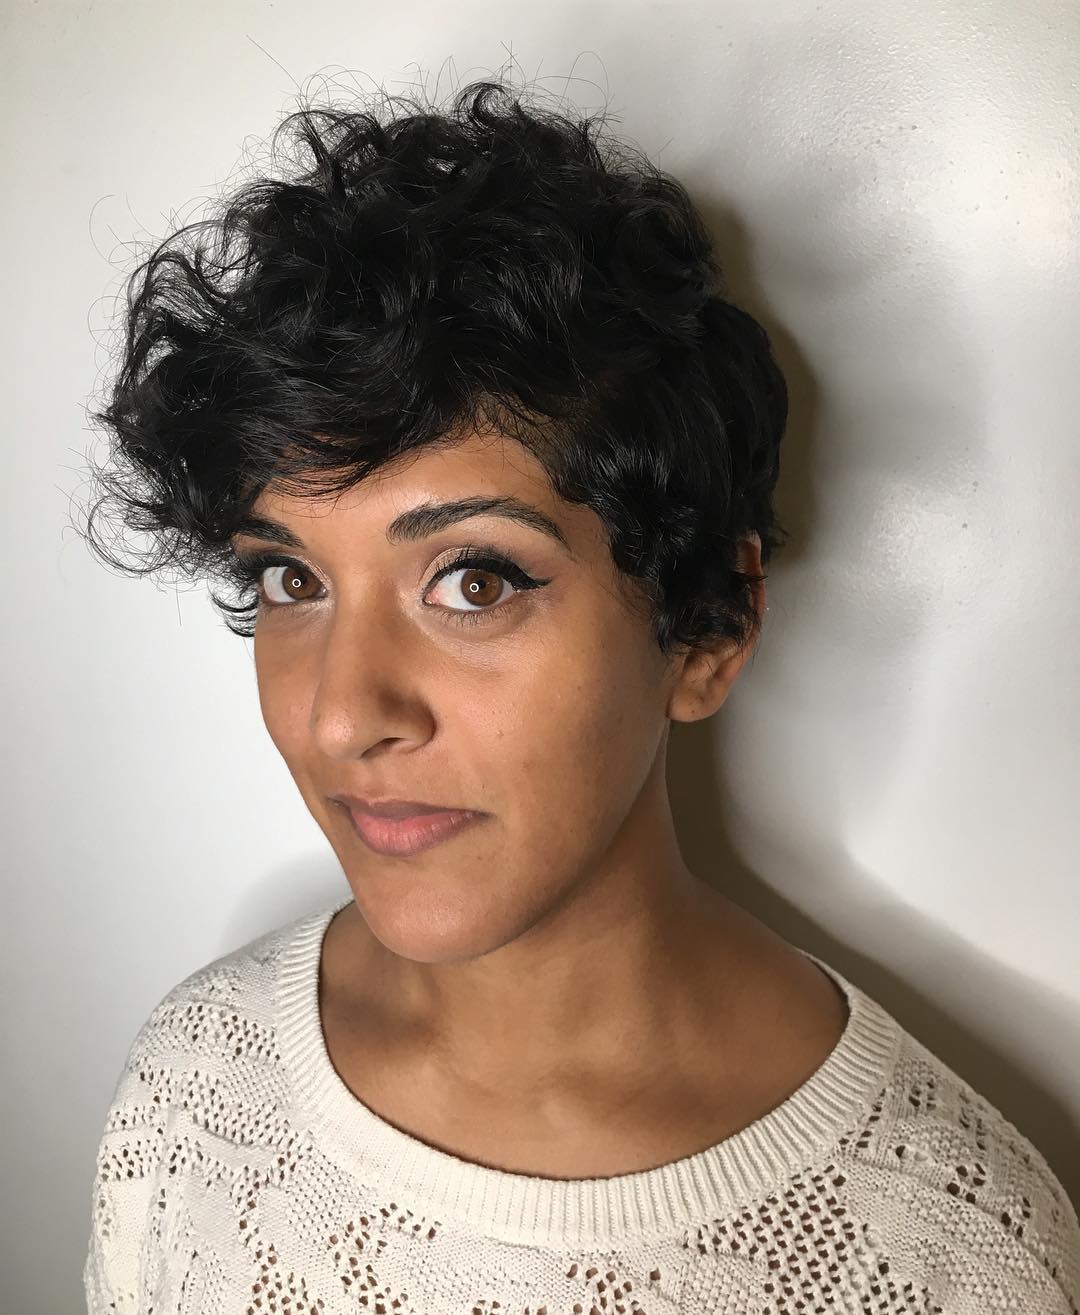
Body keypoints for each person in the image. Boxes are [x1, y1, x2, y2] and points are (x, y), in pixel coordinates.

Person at [77, 77, 1079, 1313]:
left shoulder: (951, 1255)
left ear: (707, 626)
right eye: (292, 578)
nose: (340, 717)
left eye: (475, 580)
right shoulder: (194, 1087)